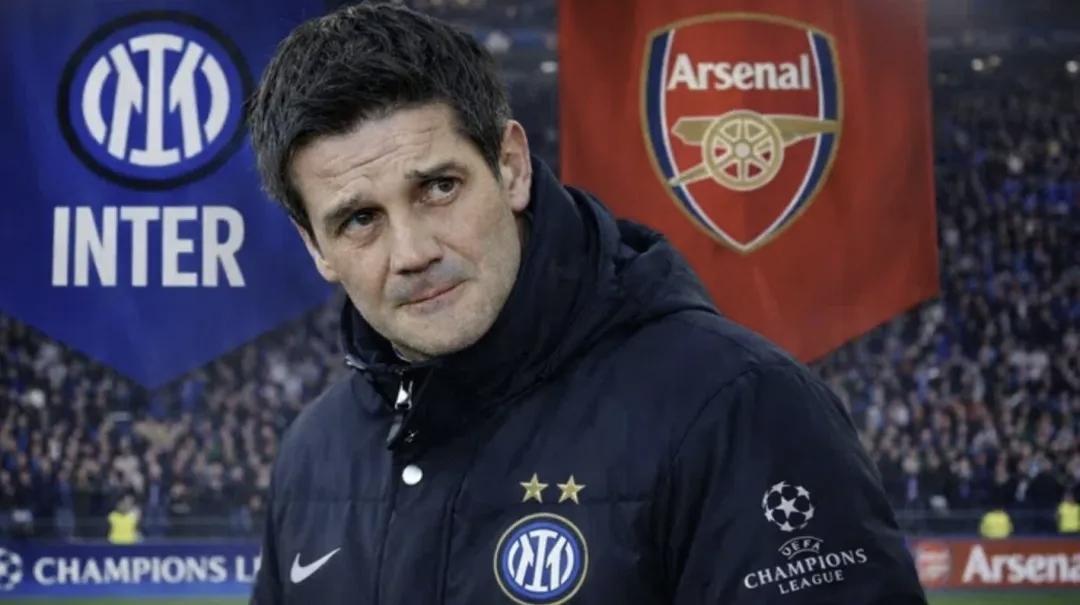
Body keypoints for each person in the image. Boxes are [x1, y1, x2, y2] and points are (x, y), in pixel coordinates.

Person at [246, 3, 926, 603]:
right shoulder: (314, 455)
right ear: (316, 247)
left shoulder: (737, 407)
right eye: (360, 219)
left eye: (439, 187)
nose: (412, 251)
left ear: (511, 167)